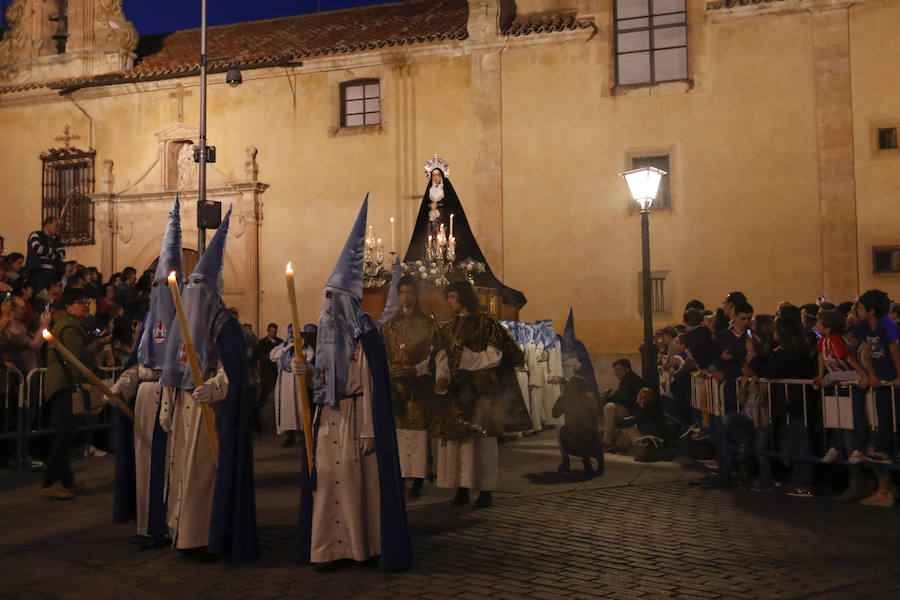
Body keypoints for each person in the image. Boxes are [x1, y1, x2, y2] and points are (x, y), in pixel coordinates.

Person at [296, 197, 411, 571]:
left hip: (355, 418)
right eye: (325, 299)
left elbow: (371, 385)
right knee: (327, 483)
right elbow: (324, 376)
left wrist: (368, 431)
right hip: (327, 418)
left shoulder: (366, 337)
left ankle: (360, 547)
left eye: (334, 299)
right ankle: (326, 549)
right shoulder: (327, 338)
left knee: (355, 485)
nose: (328, 307)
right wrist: (306, 373)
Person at [158, 206, 257, 560]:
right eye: (191, 285)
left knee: (202, 474)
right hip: (183, 408)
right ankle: (179, 531)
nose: (195, 292)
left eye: (202, 286)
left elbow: (232, 373)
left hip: (208, 412)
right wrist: (167, 406)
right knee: (180, 471)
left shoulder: (223, 327)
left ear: (213, 290)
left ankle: (203, 535)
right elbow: (171, 369)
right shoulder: (180, 324)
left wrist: (214, 387)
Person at [110, 198, 183, 547]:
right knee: (143, 463)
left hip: (172, 399)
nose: (157, 295)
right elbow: (136, 366)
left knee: (170, 464)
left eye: (162, 288)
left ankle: (171, 524)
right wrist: (122, 385)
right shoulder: (147, 325)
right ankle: (145, 526)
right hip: (144, 398)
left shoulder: (185, 324)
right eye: (153, 289)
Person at [434, 280, 530, 508]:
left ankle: (485, 490)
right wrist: (442, 377)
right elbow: (441, 356)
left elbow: (496, 355)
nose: (448, 301)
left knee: (482, 443)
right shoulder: (449, 327)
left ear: (464, 298)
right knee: (459, 442)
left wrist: (466, 359)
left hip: (483, 393)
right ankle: (462, 488)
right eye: (447, 297)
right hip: (457, 393)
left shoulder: (487, 323)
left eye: (452, 296)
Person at [403, 155, 526, 309]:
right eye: (433, 175)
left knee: (449, 253)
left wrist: (443, 218)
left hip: (447, 230)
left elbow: (454, 213)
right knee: (429, 250)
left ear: (442, 176)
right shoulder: (429, 193)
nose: (435, 178)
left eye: (438, 175)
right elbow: (423, 217)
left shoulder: (447, 192)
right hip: (431, 230)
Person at [381, 274, 448, 498]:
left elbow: (435, 355)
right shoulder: (390, 326)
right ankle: (400, 476)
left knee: (418, 433)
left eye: (409, 293)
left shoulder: (428, 325)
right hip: (396, 387)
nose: (405, 297)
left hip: (419, 386)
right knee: (399, 432)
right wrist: (388, 367)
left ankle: (418, 478)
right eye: (401, 293)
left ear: (417, 295)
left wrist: (416, 369)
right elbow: (382, 353)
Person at [40, 288, 110, 499]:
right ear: (69, 307)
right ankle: (51, 482)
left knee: (67, 435)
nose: (85, 305)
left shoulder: (74, 324)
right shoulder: (69, 326)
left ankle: (66, 481)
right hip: (64, 385)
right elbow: (76, 358)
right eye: (80, 302)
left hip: (64, 384)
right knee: (63, 436)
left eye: (86, 301)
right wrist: (99, 343)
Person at [853, 289, 900, 507]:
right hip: (881, 384)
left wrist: (899, 375)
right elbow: (867, 349)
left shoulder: (886, 324)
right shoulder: (863, 326)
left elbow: (894, 348)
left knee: (891, 431)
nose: (858, 311)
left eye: (861, 307)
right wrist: (871, 374)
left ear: (871, 310)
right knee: (883, 431)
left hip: (894, 383)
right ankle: (884, 490)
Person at [553, 376, 604, 476]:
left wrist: (562, 397)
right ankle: (599, 463)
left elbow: (554, 414)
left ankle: (566, 463)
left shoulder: (566, 399)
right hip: (593, 441)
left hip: (573, 442)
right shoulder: (590, 397)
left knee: (560, 429)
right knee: (589, 430)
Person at [601, 358, 643, 450]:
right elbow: (619, 395)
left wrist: (606, 397)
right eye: (615, 370)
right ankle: (611, 441)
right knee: (610, 408)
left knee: (609, 407)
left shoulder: (629, 379)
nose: (616, 373)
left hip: (633, 411)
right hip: (630, 409)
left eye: (618, 370)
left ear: (627, 369)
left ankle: (607, 442)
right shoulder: (627, 379)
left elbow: (621, 398)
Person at [25, 216, 66, 294]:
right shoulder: (35, 235)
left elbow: (62, 254)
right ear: (47, 224)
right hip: (37, 273)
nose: (58, 228)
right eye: (56, 225)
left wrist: (47, 253)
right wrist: (53, 252)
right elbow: (38, 249)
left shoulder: (56, 239)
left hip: (52, 274)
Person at [255, 322, 283, 431]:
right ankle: (257, 424)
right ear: (268, 331)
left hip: (276, 375)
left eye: (275, 332)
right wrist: (270, 357)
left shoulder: (280, 342)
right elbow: (258, 357)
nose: (273, 333)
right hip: (266, 375)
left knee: (278, 401)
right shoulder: (261, 343)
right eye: (272, 331)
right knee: (262, 399)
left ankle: (278, 424)